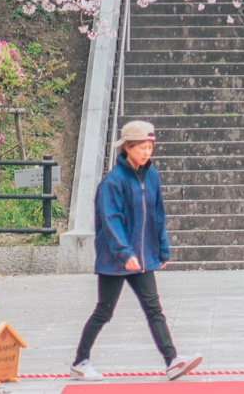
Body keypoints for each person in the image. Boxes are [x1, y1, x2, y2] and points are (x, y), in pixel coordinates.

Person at [70, 121, 202, 382]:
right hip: (115, 259)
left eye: (150, 146)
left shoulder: (152, 176)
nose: (147, 152)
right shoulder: (113, 182)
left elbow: (158, 215)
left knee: (154, 309)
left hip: (141, 258)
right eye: (142, 147)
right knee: (104, 311)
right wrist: (124, 253)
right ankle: (80, 361)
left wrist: (162, 250)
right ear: (128, 147)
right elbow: (111, 220)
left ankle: (172, 360)